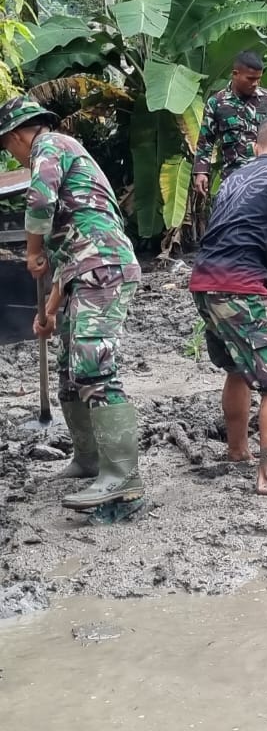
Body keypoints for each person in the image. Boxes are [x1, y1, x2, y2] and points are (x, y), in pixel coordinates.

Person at [0, 96, 143, 512]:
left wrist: (30, 250)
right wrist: (47, 312)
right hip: (83, 270)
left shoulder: (51, 145)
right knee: (69, 372)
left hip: (105, 266)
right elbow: (68, 259)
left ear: (16, 136)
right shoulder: (60, 157)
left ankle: (122, 477)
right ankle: (88, 459)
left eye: (8, 148)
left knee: (94, 365)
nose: (14, 157)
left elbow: (39, 203)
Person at [188, 116, 267, 496]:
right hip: (239, 285)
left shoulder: (236, 176)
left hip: (204, 280)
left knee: (238, 368)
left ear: (257, 148)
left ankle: (237, 451)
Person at [193, 50, 267, 198]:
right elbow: (205, 141)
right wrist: (201, 172)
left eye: (258, 79)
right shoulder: (217, 102)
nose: (255, 83)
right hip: (233, 179)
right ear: (235, 74)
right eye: (250, 78)